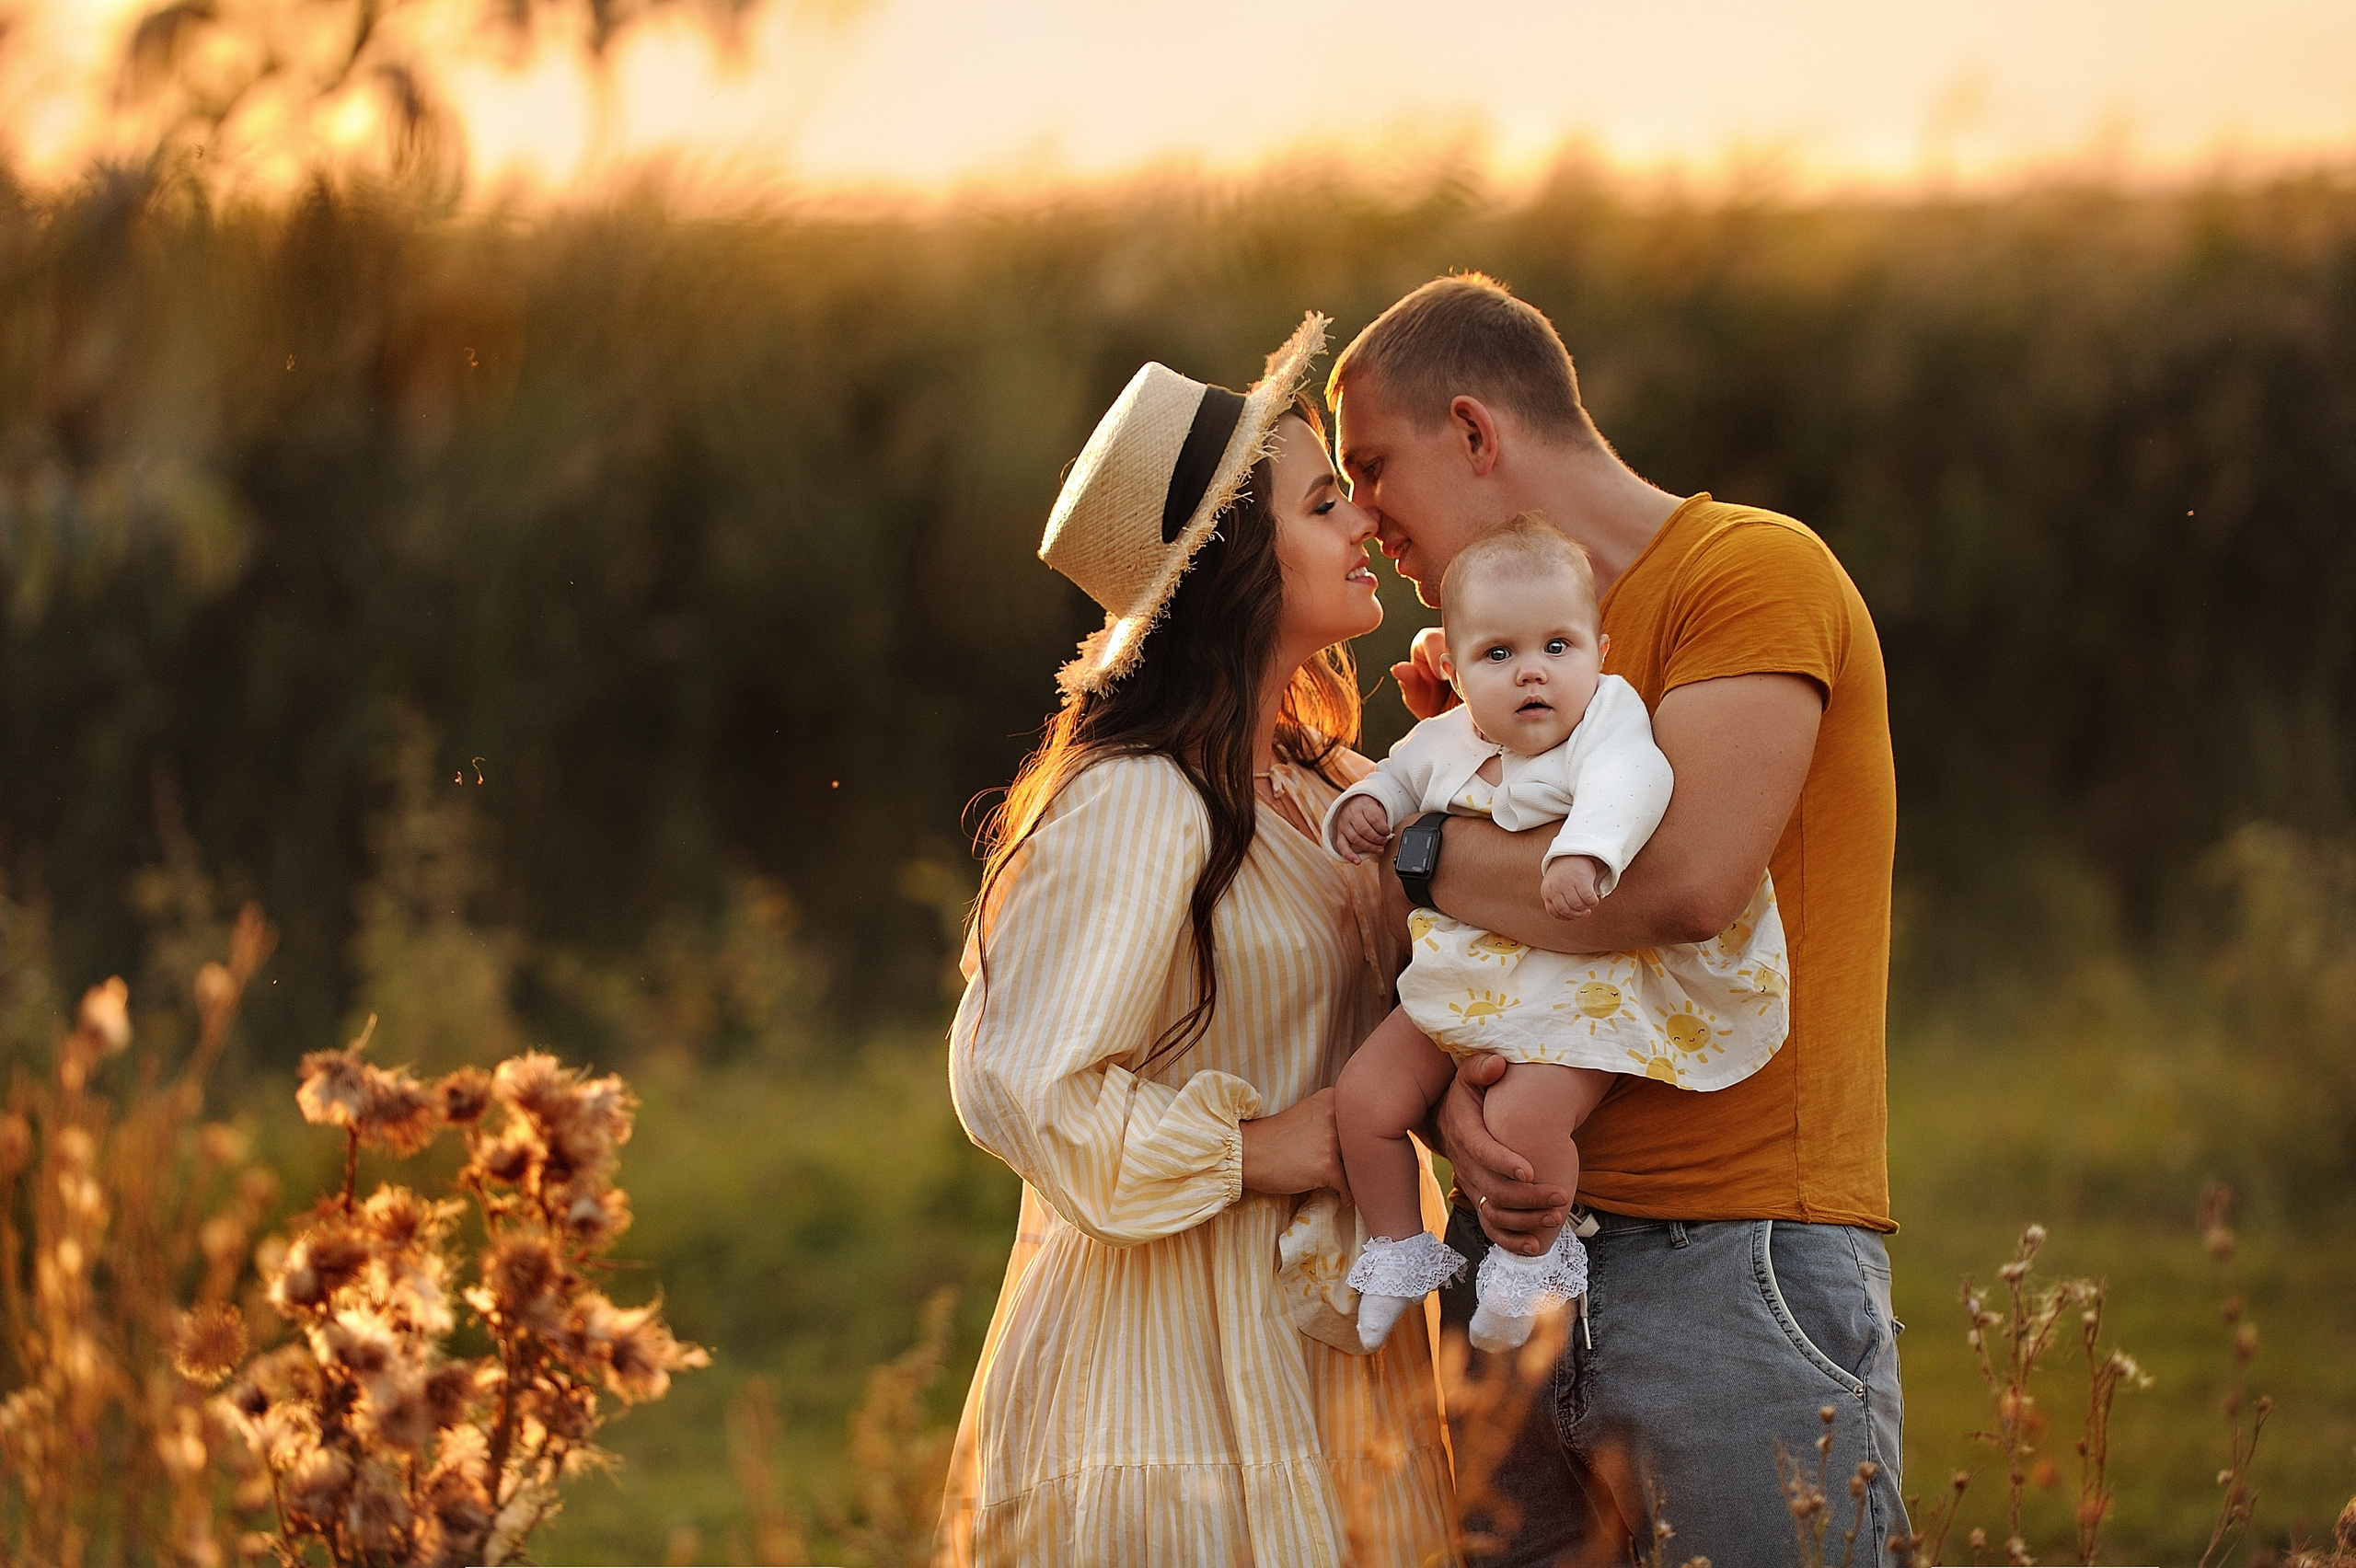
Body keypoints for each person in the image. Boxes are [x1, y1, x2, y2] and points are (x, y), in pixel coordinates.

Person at [1326, 274, 1906, 1565]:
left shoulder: (1748, 572)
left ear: (1476, 434)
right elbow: (1474, 966)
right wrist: (1454, 1113)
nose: (1364, 519)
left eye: (1371, 469)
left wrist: (1419, 850)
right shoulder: (1487, 659)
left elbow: (1684, 886)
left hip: (1735, 1262)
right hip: (1502, 1264)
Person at [936, 314, 1456, 1568]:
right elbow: (1014, 1081)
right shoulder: (1138, 797)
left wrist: (1469, 744)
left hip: (1317, 1343)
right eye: (1327, 503)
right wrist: (1256, 1148)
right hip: (1159, 1376)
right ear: (1237, 562)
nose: (1366, 527)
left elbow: (1461, 966)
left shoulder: (1327, 780)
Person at [1321, 514, 1788, 1358]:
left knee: (1527, 1119)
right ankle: (1397, 1248)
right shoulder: (1447, 739)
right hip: (1463, 975)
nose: (1533, 671)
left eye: (1559, 647)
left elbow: (1631, 779)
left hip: (1571, 981)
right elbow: (1397, 780)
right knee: (1366, 1098)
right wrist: (1365, 809)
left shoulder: (1603, 720)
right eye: (1498, 655)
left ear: (1598, 650)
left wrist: (1589, 850)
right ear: (1457, 674)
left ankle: (1534, 1258)